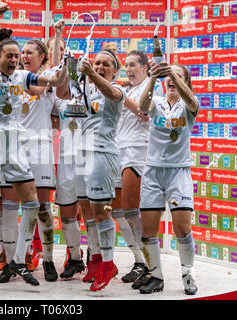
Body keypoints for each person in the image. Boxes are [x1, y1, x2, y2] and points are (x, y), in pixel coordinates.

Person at [0, 1, 67, 293]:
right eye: (10, 55)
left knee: (33, 204)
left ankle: (17, 260)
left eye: (18, 56)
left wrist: (65, 66)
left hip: (14, 145)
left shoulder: (21, 77)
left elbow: (53, 79)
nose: (15, 60)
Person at [57, 43, 126, 292]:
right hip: (81, 155)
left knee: (101, 212)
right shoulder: (84, 91)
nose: (100, 66)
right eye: (97, 63)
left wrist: (92, 74)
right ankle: (96, 260)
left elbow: (113, 95)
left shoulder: (115, 89)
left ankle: (109, 264)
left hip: (102, 154)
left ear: (114, 72)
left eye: (106, 64)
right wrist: (68, 66)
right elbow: (63, 93)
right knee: (87, 211)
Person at [0, 37, 61, 284]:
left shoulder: (49, 81)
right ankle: (13, 260)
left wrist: (57, 39)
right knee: (10, 209)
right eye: (21, 52)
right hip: (14, 147)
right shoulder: (13, 78)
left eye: (29, 52)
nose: (23, 55)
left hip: (41, 147)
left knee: (43, 208)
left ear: (42, 57)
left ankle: (47, 259)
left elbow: (54, 80)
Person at [136, 62, 199, 295]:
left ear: (184, 81)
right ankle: (156, 276)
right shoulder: (158, 102)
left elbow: (192, 102)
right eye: (168, 76)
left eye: (177, 76)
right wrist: (152, 78)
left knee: (182, 229)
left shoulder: (190, 103)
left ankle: (188, 274)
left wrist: (173, 72)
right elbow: (143, 105)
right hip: (153, 172)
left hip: (178, 172)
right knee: (148, 230)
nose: (171, 80)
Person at [111, 50, 164, 284]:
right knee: (116, 210)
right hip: (118, 151)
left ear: (145, 67)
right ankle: (139, 261)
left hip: (138, 150)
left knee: (132, 209)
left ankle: (151, 264)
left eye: (133, 64)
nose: (129, 69)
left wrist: (120, 95)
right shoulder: (128, 89)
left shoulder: (153, 87)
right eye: (126, 65)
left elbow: (144, 114)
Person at [49, 19, 86, 279]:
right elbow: (55, 75)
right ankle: (75, 257)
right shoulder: (57, 101)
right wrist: (59, 35)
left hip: (88, 159)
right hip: (65, 160)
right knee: (66, 211)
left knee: (91, 211)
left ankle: (96, 258)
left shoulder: (88, 92)